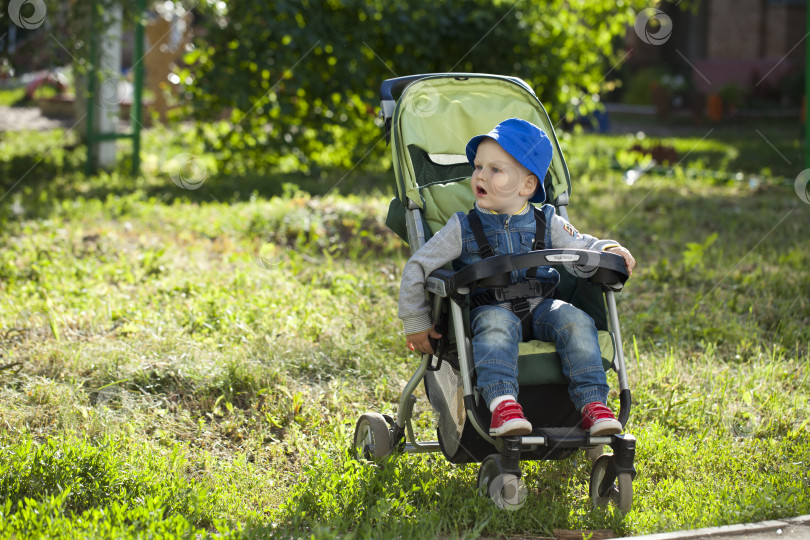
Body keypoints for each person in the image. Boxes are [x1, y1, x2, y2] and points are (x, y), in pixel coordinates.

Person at [398, 118, 636, 437]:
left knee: (575, 320)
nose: (481, 175)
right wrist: (416, 321)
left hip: (541, 306)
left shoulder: (547, 221)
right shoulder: (461, 226)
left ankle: (593, 404)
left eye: (495, 169)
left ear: (526, 186)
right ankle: (503, 405)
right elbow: (418, 266)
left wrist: (607, 248)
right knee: (496, 325)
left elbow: (581, 246)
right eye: (478, 166)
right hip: (488, 309)